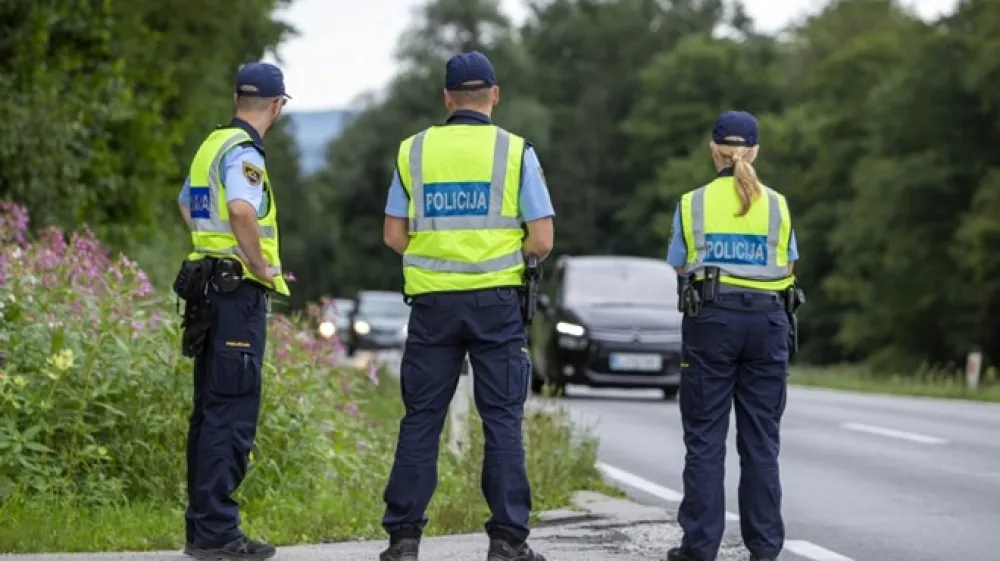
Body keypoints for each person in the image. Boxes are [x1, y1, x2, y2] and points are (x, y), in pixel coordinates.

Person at [378, 50, 555, 561]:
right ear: (494, 96)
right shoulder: (516, 152)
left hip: (433, 305)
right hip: (497, 305)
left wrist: (437, 259)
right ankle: (507, 542)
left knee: (421, 418)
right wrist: (499, 260)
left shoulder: (413, 151)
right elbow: (541, 239)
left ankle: (404, 540)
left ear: (447, 98)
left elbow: (393, 234)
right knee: (501, 419)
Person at [664, 110, 798, 561]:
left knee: (705, 439)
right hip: (768, 321)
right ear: (755, 151)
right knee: (761, 441)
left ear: (713, 150)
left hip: (713, 320)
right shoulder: (778, 204)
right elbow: (789, 266)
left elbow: (681, 265)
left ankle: (699, 548)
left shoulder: (692, 203)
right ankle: (764, 549)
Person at [176, 61, 291, 560]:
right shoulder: (244, 152)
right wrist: (258, 264)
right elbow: (243, 210)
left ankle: (202, 529)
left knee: (208, 410)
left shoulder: (211, 145)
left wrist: (210, 243)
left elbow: (186, 202)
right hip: (234, 293)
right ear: (277, 105)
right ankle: (220, 533)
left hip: (206, 287)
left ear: (236, 99)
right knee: (231, 411)